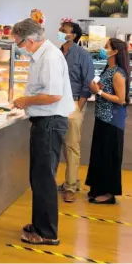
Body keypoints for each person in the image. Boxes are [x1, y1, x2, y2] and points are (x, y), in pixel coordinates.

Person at [12, 19, 74, 246]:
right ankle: (39, 225)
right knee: (39, 178)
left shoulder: (49, 57)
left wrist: (25, 100)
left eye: (19, 44)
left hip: (49, 123)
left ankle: (47, 233)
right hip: (45, 122)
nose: (20, 48)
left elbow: (54, 95)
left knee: (44, 179)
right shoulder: (43, 55)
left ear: (29, 40)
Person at [86, 38, 129, 204]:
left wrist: (99, 93)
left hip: (112, 121)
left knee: (109, 156)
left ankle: (109, 193)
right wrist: (97, 88)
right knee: (100, 155)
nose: (104, 49)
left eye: (107, 47)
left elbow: (121, 99)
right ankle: (98, 188)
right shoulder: (108, 69)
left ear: (115, 51)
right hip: (102, 118)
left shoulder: (118, 73)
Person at [56, 21, 94, 202]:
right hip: (54, 104)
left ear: (73, 35)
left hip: (72, 104)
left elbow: (88, 83)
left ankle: (70, 186)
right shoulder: (55, 53)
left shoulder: (83, 55)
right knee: (57, 145)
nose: (60, 32)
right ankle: (69, 182)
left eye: (64, 31)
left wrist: (78, 106)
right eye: (60, 30)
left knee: (71, 145)